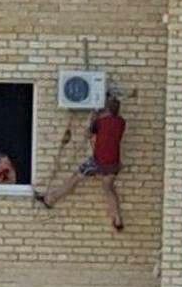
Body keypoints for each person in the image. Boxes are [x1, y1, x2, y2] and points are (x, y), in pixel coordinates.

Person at [36, 95, 126, 230]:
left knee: (76, 177)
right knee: (108, 188)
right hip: (113, 163)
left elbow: (89, 133)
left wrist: (93, 115)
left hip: (98, 161)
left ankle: (50, 199)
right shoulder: (121, 122)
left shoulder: (101, 122)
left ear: (106, 109)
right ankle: (117, 219)